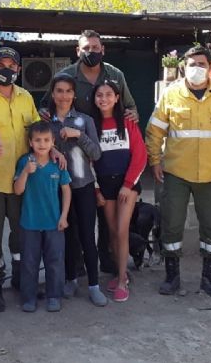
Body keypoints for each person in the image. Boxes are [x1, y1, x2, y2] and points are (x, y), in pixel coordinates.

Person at [0, 47, 64, 312]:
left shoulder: (25, 97)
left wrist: (52, 149)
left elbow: (38, 131)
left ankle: (22, 281)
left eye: (11, 65)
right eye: (1, 64)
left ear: (19, 69)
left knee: (23, 236)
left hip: (23, 181)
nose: (6, 69)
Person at [40, 29, 140, 274]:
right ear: (78, 51)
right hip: (74, 153)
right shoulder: (66, 76)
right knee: (77, 213)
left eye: (95, 48)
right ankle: (76, 265)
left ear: (103, 49)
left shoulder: (115, 74)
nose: (91, 52)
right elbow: (46, 106)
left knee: (107, 212)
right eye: (86, 48)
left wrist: (132, 115)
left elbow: (130, 106)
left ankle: (107, 259)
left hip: (106, 146)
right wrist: (44, 115)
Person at [145, 46, 211, 298]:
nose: (197, 68)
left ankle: (209, 278)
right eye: (192, 64)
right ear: (183, 67)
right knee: (171, 225)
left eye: (202, 64)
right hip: (176, 173)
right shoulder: (171, 94)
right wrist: (155, 161)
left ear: (210, 67)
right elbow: (155, 130)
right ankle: (172, 276)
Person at [46, 74, 108, 306]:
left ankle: (93, 285)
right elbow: (36, 150)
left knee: (87, 237)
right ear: (53, 94)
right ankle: (70, 279)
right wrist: (51, 149)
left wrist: (78, 135)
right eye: (59, 91)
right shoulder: (46, 122)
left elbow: (96, 154)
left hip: (83, 186)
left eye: (68, 91)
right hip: (57, 189)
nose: (64, 96)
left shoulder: (85, 120)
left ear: (74, 95)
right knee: (66, 236)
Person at [91, 80, 147, 302]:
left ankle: (123, 280)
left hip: (126, 185)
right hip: (104, 185)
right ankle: (119, 271)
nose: (103, 99)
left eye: (108, 94)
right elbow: (89, 161)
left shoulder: (127, 122)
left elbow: (140, 155)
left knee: (122, 231)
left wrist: (128, 184)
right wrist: (96, 189)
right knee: (112, 232)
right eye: (99, 95)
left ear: (116, 98)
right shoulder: (91, 124)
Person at [13, 121, 72, 313]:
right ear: (30, 142)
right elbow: (17, 190)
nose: (42, 144)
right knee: (29, 263)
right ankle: (28, 297)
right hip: (29, 223)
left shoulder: (58, 163)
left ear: (53, 142)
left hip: (54, 223)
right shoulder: (24, 162)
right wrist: (25, 172)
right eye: (37, 140)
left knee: (55, 261)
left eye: (46, 140)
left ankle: (54, 296)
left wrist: (64, 216)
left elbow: (66, 190)